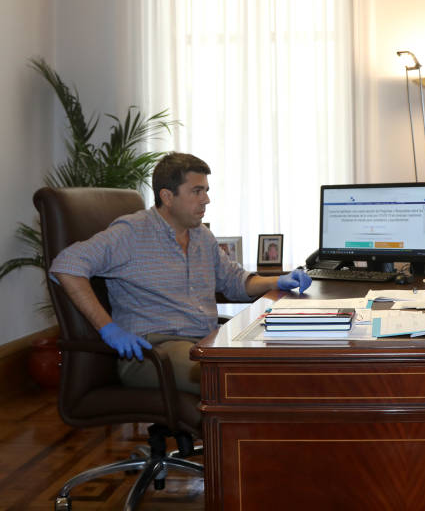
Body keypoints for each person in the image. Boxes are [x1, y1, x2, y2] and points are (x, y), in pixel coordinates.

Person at [50, 152, 312, 395]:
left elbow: (234, 281)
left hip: (205, 343)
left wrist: (279, 280)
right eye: (197, 191)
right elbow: (66, 265)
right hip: (154, 352)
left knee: (281, 365)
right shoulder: (131, 232)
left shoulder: (201, 235)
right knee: (237, 381)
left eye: (206, 191)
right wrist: (108, 328)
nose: (206, 199)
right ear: (167, 196)